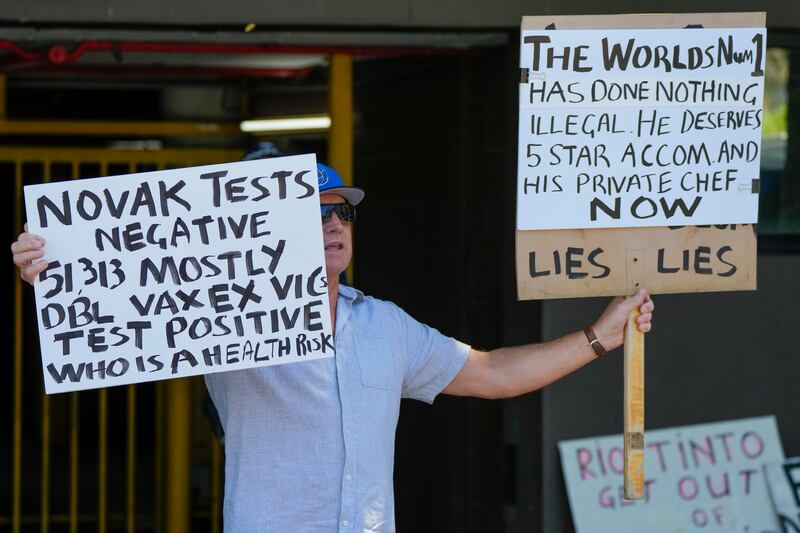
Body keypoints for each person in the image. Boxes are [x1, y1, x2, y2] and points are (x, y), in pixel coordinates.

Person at [11, 161, 654, 532]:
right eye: (315, 213)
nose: (333, 225)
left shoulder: (385, 325)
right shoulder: (230, 315)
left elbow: (491, 372)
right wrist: (54, 265)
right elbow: (126, 294)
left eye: (342, 213)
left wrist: (602, 334)